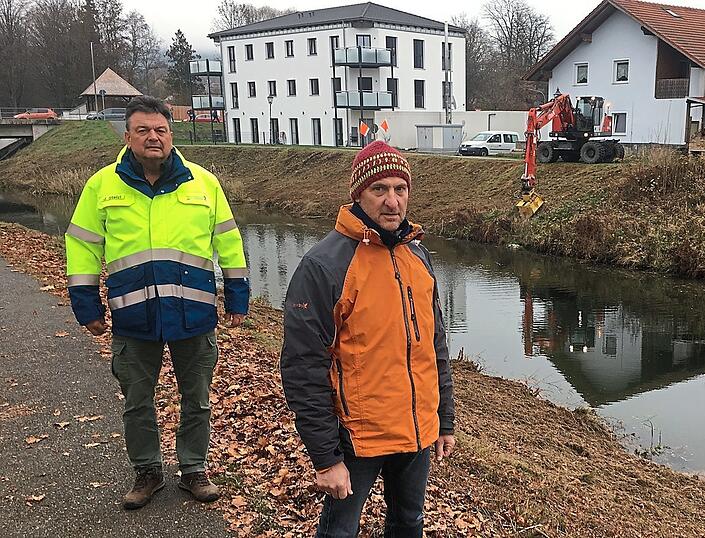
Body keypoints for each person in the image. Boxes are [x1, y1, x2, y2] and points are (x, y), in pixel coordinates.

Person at [65, 95, 250, 509]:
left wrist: (238, 297)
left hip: (194, 315)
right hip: (134, 315)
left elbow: (229, 242)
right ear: (128, 136)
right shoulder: (102, 186)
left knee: (197, 399)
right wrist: (86, 305)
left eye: (161, 130)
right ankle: (147, 471)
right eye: (143, 130)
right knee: (137, 402)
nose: (154, 137)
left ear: (172, 134)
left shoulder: (203, 183)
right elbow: (81, 245)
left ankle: (193, 470)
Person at [281, 140, 455, 538]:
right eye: (380, 190)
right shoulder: (325, 265)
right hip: (357, 435)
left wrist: (443, 418)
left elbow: (435, 346)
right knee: (341, 531)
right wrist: (326, 458)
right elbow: (302, 366)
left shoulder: (419, 257)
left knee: (408, 522)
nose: (392, 201)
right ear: (358, 194)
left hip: (415, 431)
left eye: (400, 189)